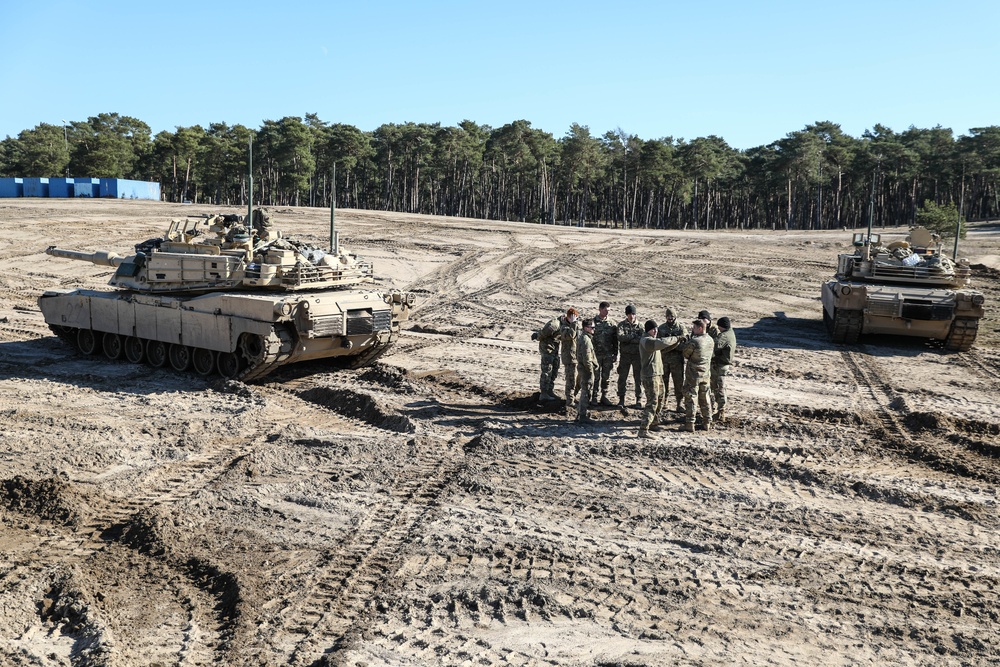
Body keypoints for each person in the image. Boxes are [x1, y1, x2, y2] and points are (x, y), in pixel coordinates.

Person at [637, 320, 685, 438]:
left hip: (658, 375)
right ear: (648, 330)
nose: (656, 331)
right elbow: (662, 342)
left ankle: (654, 422)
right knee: (652, 402)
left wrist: (677, 341)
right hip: (650, 376)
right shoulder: (646, 341)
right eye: (653, 329)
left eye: (656, 329)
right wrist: (677, 337)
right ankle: (643, 429)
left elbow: (664, 348)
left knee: (660, 399)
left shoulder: (653, 341)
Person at [681, 319, 714, 432]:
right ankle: (707, 421)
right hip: (705, 374)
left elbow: (686, 354)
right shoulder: (710, 340)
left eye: (694, 327)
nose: (692, 329)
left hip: (693, 375)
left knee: (691, 397)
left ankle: (690, 423)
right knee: (705, 398)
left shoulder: (695, 342)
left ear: (700, 328)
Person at [657, 306, 687, 415]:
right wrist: (674, 343)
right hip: (664, 359)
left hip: (677, 360)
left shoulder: (681, 329)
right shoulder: (661, 328)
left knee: (678, 382)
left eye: (672, 316)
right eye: (668, 316)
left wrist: (672, 346)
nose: (670, 318)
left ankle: (679, 403)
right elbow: (659, 343)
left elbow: (684, 344)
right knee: (663, 381)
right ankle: (664, 401)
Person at [590, 301, 619, 406]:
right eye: (605, 310)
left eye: (608, 310)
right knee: (595, 377)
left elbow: (615, 340)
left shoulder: (612, 324)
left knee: (606, 377)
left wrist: (615, 354)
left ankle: (604, 396)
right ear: (600, 309)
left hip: (607, 355)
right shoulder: (593, 322)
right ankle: (594, 397)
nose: (607, 312)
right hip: (596, 355)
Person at [616, 304, 643, 410]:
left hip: (637, 356)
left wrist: (629, 339)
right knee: (622, 377)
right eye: (629, 314)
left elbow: (642, 339)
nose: (631, 316)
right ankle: (621, 399)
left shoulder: (640, 326)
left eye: (633, 314)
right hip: (625, 356)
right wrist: (633, 337)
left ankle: (639, 399)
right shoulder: (622, 325)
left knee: (638, 378)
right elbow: (620, 337)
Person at [531, 314, 562, 401]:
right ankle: (544, 393)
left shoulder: (565, 325)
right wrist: (537, 336)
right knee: (547, 371)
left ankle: (549, 391)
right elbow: (543, 333)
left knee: (554, 370)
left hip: (554, 349)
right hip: (547, 349)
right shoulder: (554, 324)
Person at [711, 316, 736, 422]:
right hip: (723, 364)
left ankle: (721, 412)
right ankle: (720, 411)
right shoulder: (730, 332)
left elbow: (714, 345)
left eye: (719, 327)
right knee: (719, 387)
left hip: (721, 365)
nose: (718, 329)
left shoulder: (724, 336)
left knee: (719, 388)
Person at [575, 318, 600, 423]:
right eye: (592, 327)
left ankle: (580, 414)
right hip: (586, 371)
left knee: (585, 391)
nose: (594, 329)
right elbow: (587, 359)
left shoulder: (584, 338)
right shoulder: (586, 340)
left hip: (584, 369)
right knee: (586, 393)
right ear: (586, 328)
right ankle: (582, 416)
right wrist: (590, 372)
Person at [559, 308, 582, 409]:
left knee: (580, 380)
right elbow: (570, 335)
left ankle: (573, 396)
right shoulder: (564, 327)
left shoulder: (577, 325)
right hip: (569, 358)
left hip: (578, 357)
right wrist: (573, 323)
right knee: (571, 380)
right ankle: (569, 401)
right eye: (573, 317)